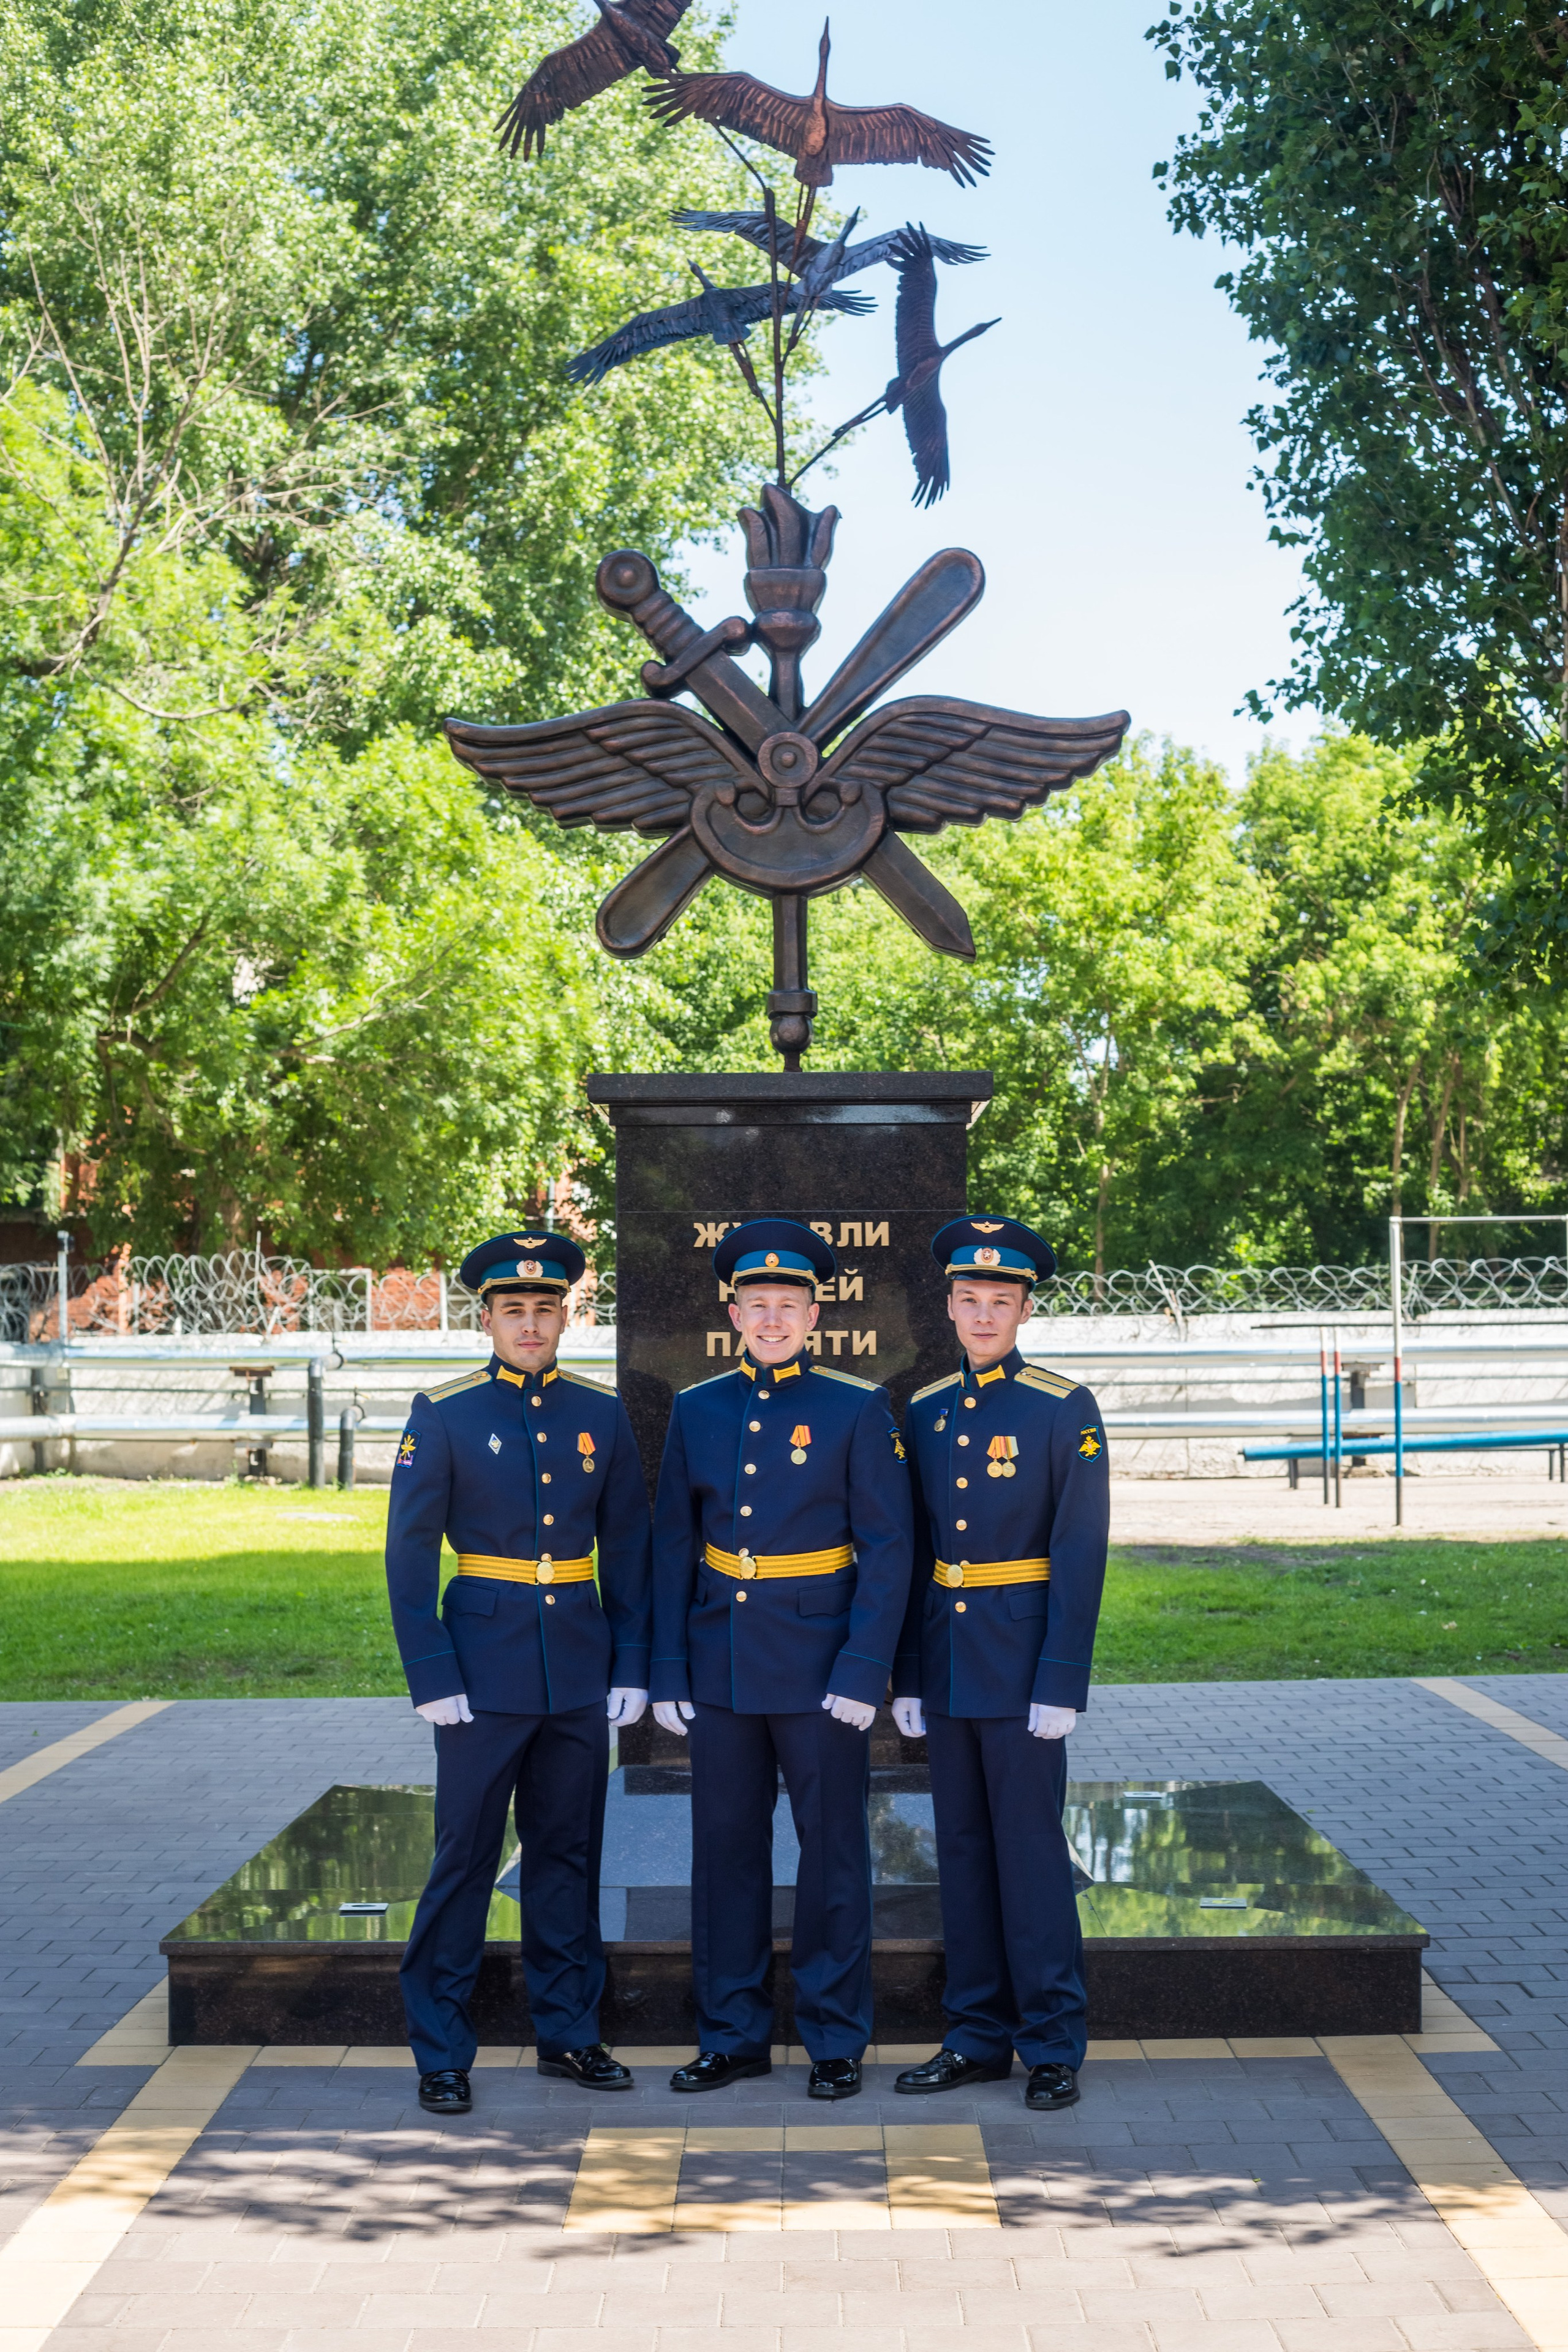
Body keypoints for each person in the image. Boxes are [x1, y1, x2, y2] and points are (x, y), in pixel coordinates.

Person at [386, 1229, 651, 2114]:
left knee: (567, 1858)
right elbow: (409, 1551)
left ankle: (569, 2034)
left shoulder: (600, 1414)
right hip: (478, 1672)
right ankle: (441, 2046)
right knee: (464, 1856)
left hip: (577, 1669)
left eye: (546, 1310)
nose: (530, 1325)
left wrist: (630, 1660)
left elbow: (630, 1547)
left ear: (567, 1315)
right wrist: (431, 1671)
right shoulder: (445, 1412)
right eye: (514, 1311)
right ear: (488, 1318)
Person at [650, 1218, 913, 2101]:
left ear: (814, 1313)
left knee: (832, 1853)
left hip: (819, 1670)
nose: (772, 1319)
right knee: (723, 1854)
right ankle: (731, 2033)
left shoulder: (856, 1405)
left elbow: (887, 1548)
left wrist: (862, 1667)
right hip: (720, 1665)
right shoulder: (697, 1408)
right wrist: (668, 1671)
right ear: (733, 1313)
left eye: (788, 1305)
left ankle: (835, 2037)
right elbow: (670, 1548)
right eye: (756, 1304)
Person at [890, 1216, 1108, 2112]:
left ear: (1023, 1309)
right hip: (947, 1665)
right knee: (965, 1854)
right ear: (949, 1305)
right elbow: (911, 1549)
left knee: (1030, 1856)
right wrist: (907, 1673)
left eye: (1001, 1302)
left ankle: (1052, 2041)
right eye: (970, 1300)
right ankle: (976, 2034)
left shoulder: (1063, 1408)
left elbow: (1082, 1548)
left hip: (1024, 1667)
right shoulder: (928, 1407)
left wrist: (1061, 1678)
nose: (984, 1316)